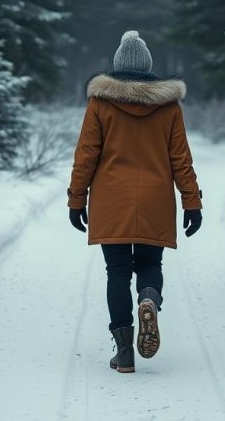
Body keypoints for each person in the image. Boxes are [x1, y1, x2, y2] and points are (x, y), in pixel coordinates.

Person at [67, 29, 203, 373]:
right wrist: (192, 202)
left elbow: (86, 156)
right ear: (148, 66)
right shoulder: (168, 107)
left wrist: (76, 199)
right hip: (155, 200)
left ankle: (125, 352)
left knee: (116, 272)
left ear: (117, 65)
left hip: (111, 200)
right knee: (149, 264)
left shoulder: (100, 104)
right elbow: (181, 159)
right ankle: (149, 298)